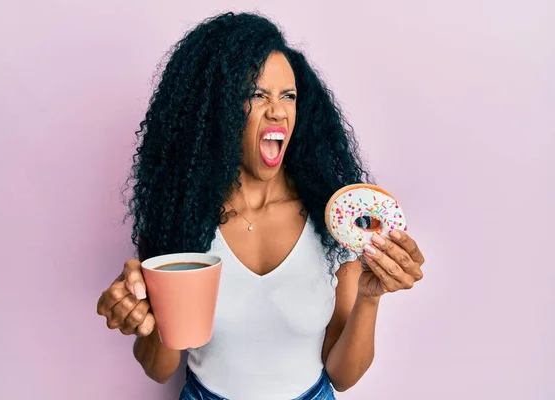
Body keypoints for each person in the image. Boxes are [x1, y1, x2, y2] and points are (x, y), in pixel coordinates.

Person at [97, 11, 425, 400]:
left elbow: (342, 376)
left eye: (288, 96)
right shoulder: (183, 218)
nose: (278, 110)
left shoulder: (330, 220)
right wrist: (146, 316)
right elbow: (159, 367)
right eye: (256, 94)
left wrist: (370, 297)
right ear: (217, 108)